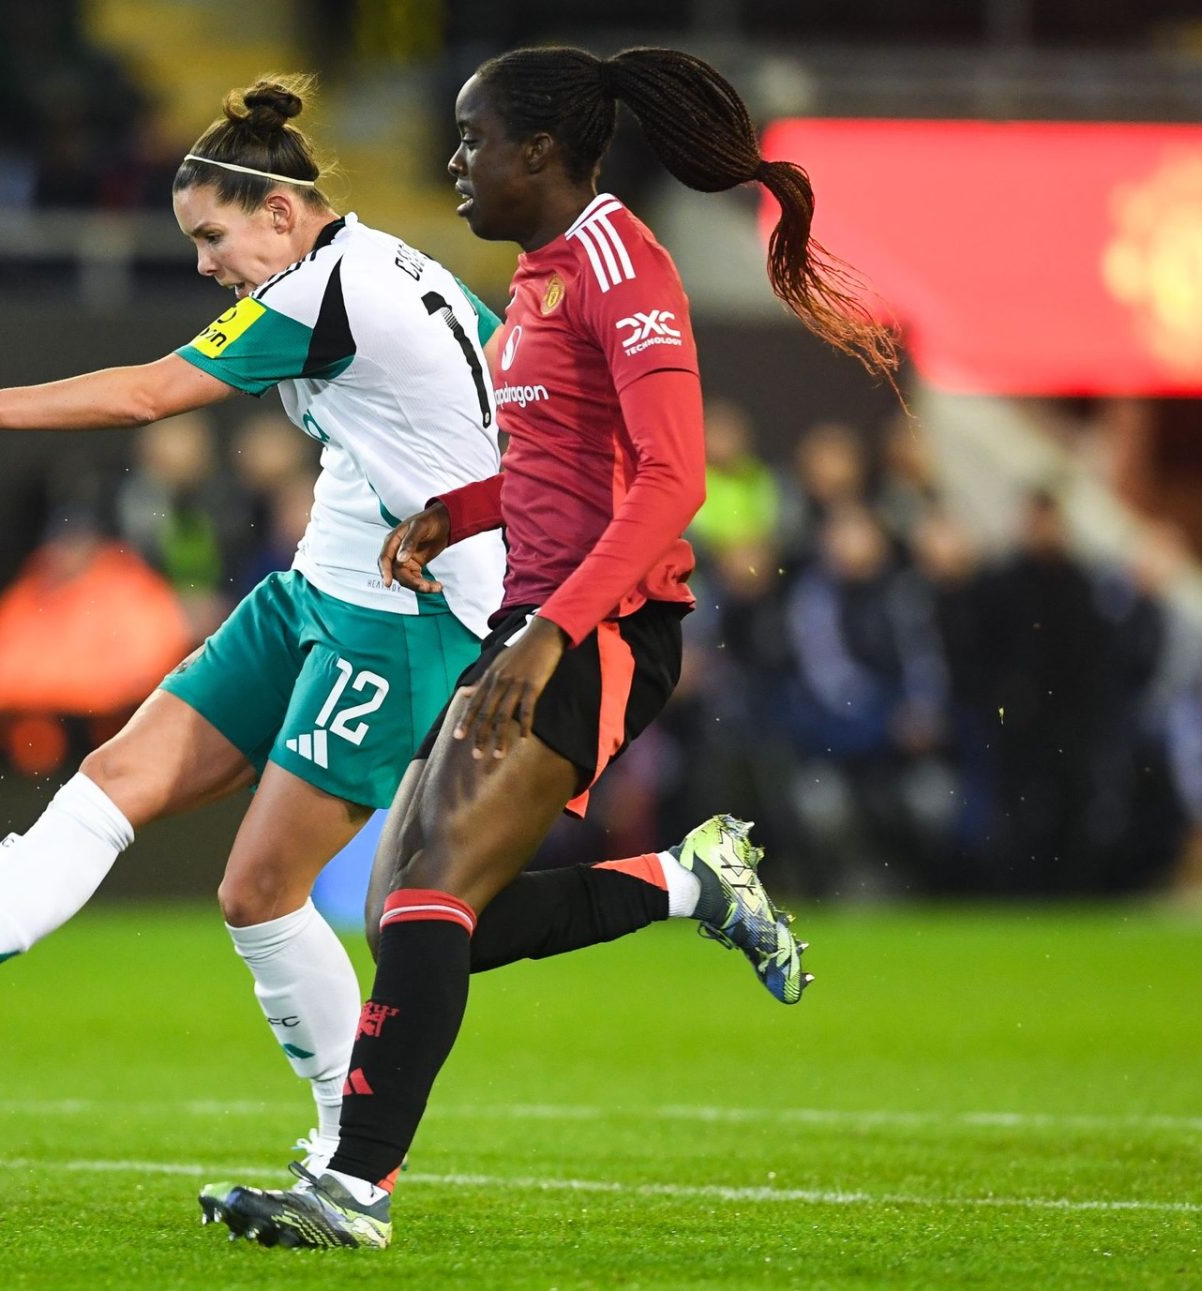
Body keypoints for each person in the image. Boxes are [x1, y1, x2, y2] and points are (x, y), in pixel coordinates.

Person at [0, 75, 674, 1176]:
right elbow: (496, 418)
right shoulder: (393, 270)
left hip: (408, 623)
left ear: (281, 213)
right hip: (316, 590)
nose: (203, 265)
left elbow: (147, 395)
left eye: (212, 235)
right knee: (113, 778)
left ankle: (349, 1140)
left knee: (259, 893)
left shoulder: (327, 288)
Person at [200, 44, 898, 1248]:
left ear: (542, 151)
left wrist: (553, 632)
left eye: (473, 140)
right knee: (417, 912)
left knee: (424, 895)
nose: (455, 162)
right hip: (536, 615)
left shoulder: (625, 264)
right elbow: (553, 461)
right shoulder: (537, 278)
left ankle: (352, 1190)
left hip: (606, 624)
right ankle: (688, 881)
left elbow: (674, 476)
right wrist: (457, 514)